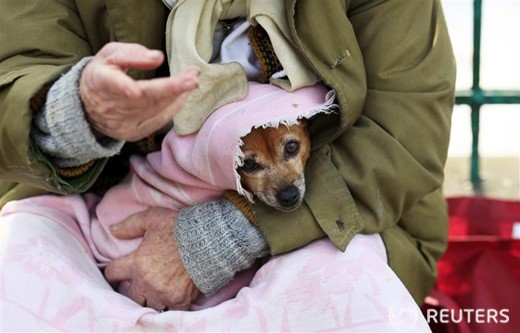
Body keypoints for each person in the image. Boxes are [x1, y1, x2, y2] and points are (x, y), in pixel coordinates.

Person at [0, 0, 455, 330]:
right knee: (19, 268)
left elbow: (403, 135)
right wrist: (68, 115)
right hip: (104, 203)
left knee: (343, 289)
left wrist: (227, 234)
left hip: (347, 211)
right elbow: (17, 70)